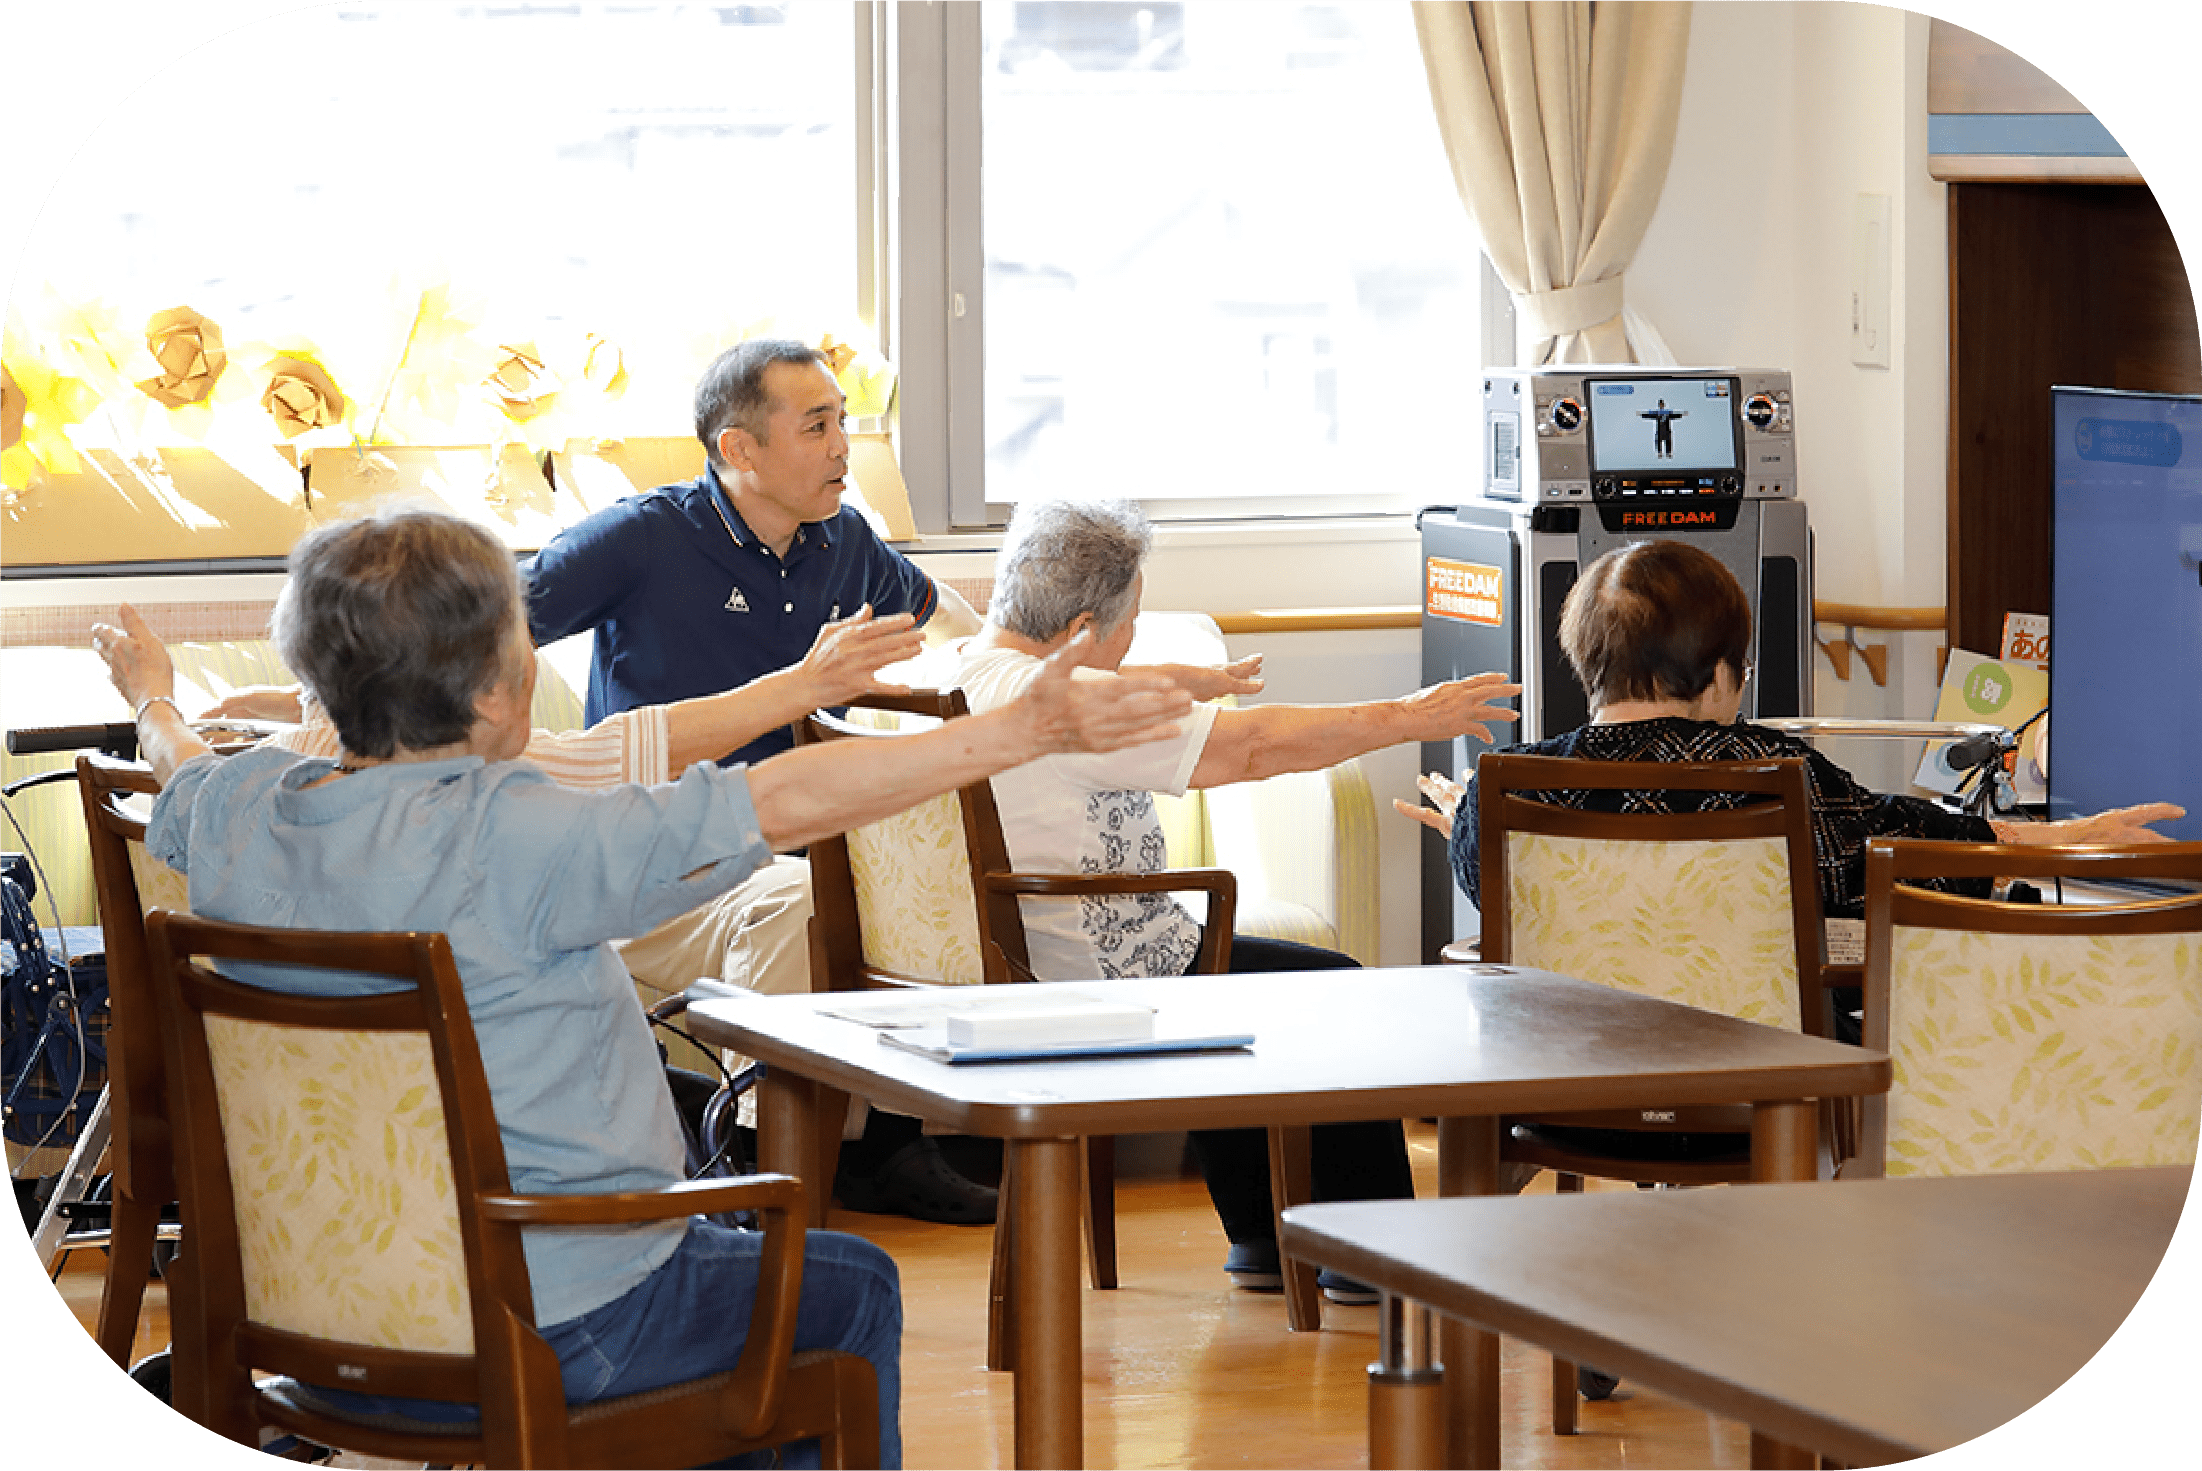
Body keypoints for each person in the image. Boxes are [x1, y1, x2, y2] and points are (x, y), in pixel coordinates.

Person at [92, 506, 1195, 1470]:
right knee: (847, 1289)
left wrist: (151, 696)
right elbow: (784, 798)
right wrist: (1021, 727)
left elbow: (178, 759)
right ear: (495, 687)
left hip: (310, 1327)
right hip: (554, 1326)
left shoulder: (237, 808)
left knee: (727, 1279)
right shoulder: (518, 834)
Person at [519, 338, 1258, 1224]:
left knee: (883, 877)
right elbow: (485, 635)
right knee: (803, 901)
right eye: (818, 425)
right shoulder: (640, 539)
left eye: (845, 421)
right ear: (738, 449)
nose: (842, 446)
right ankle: (756, 1163)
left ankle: (873, 1148)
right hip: (670, 852)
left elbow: (960, 631)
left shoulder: (844, 542)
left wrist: (1041, 675)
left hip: (811, 838)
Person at [902, 497, 1521, 1302]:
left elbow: (1054, 679)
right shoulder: (1072, 710)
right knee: (1341, 988)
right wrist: (1410, 716)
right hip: (1097, 980)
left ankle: (1265, 1236)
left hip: (985, 969)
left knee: (1229, 971)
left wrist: (1163, 678)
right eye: (1130, 623)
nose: (1129, 642)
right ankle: (1375, 1255)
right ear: (1087, 626)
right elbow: (1256, 746)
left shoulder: (936, 672)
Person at [1400, 538, 2184, 940]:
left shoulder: (1509, 783)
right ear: (1716, 677)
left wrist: (1464, 819)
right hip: (1757, 1080)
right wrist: (2063, 839)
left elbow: (1484, 872)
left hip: (1569, 1075)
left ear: (1586, 665)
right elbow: (1916, 848)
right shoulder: (1777, 772)